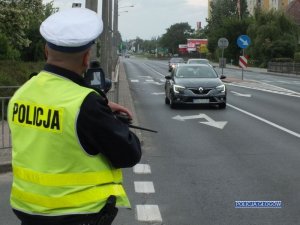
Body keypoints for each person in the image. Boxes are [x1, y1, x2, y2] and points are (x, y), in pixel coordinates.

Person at [7, 8, 142, 225]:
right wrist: (108, 116)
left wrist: (101, 107)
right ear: (87, 58)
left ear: (45, 51)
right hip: (75, 215)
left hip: (28, 212)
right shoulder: (85, 104)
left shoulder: (21, 94)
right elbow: (129, 153)